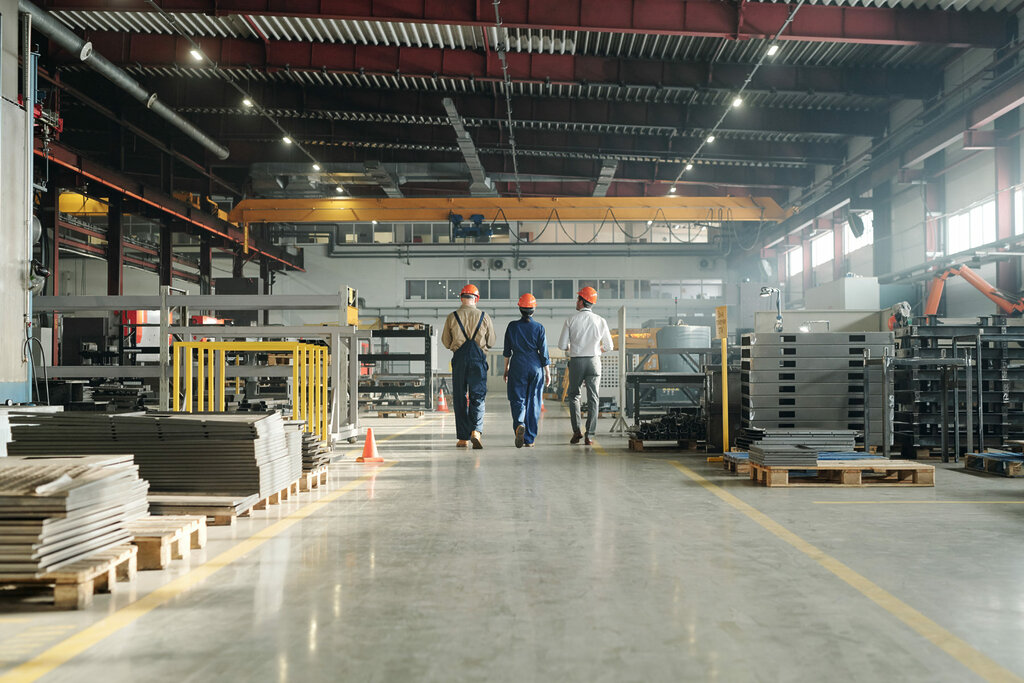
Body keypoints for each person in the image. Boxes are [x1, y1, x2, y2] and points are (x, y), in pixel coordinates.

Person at [441, 284, 496, 449]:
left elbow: (445, 342)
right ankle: (476, 431)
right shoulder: (484, 316)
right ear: (476, 299)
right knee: (477, 396)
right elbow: (491, 342)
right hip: (478, 361)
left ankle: (463, 438)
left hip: (460, 360)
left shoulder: (452, 317)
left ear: (461, 298)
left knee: (459, 397)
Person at [558, 286, 614, 446]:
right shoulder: (601, 320)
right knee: (593, 398)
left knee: (574, 395)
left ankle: (577, 432)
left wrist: (574, 347)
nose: (576, 302)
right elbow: (609, 346)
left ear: (582, 301)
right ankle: (590, 435)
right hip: (594, 361)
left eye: (578, 299)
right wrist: (597, 350)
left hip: (577, 361)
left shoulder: (571, 320)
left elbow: (562, 346)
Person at [503, 293, 550, 449]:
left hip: (518, 364)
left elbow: (507, 351)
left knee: (518, 399)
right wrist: (547, 372)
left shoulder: (512, 326)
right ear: (534, 309)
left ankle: (519, 424)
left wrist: (506, 369)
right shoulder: (539, 328)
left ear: (520, 308)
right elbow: (544, 353)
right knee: (534, 402)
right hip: (535, 366)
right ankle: (529, 439)